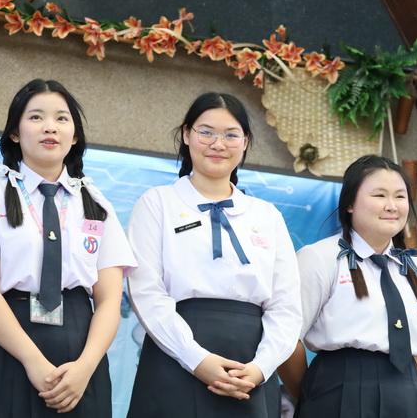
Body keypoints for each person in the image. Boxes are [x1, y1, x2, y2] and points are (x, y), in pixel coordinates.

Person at [0, 79, 136, 417]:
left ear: (75, 136)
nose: (50, 127)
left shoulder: (97, 204)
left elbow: (110, 299)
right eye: (36, 117)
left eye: (62, 118)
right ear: (15, 133)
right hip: (5, 346)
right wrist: (32, 361)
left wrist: (86, 367)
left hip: (80, 358)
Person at [126, 92, 302, 418]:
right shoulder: (158, 203)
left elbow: (286, 305)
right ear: (186, 134)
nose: (218, 144)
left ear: (245, 142)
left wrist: (261, 367)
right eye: (206, 132)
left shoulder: (267, 215)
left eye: (231, 135)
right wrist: (196, 359)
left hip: (250, 365)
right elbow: (146, 292)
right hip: (175, 355)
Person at [280, 154, 417, 417]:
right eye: (379, 195)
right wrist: (312, 395)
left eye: (400, 196)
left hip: (408, 395)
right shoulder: (319, 257)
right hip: (337, 391)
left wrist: (396, 386)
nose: (391, 206)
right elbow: (286, 337)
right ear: (349, 204)